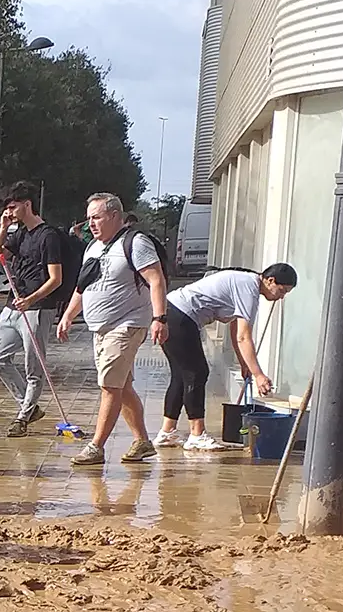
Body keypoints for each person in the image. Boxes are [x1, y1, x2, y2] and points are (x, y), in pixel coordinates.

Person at [58, 193, 170, 467]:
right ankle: (142, 441)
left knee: (109, 385)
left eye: (96, 218)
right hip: (101, 328)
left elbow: (156, 280)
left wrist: (160, 318)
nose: (91, 224)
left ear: (115, 216)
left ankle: (96, 447)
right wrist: (68, 315)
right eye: (89, 219)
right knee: (123, 386)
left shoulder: (136, 243)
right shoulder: (93, 248)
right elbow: (83, 287)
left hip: (127, 324)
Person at [157, 262, 298, 450]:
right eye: (282, 291)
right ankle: (197, 434)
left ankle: (168, 432)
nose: (281, 297)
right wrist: (258, 375)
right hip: (180, 317)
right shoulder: (250, 288)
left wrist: (244, 363)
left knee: (182, 376)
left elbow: (234, 327)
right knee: (197, 373)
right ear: (270, 280)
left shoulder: (246, 283)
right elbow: (243, 337)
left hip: (170, 312)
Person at [0, 182, 66, 436]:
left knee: (34, 366)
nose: (9, 211)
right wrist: (3, 229)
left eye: (13, 207)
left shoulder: (48, 236)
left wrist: (31, 299)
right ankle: (28, 405)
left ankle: (22, 417)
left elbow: (56, 279)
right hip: (13, 306)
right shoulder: (19, 233)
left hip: (37, 308)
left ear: (27, 204)